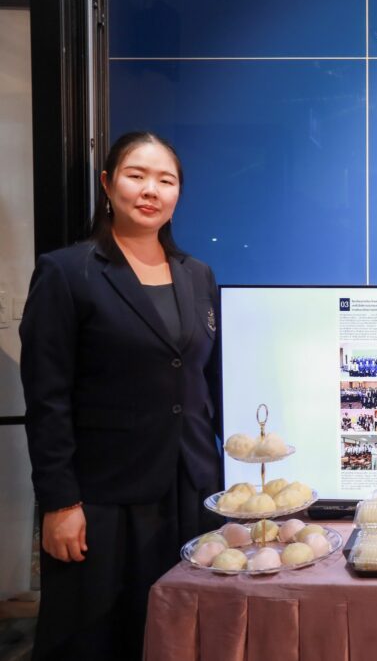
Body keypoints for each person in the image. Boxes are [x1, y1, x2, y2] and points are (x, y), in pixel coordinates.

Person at [19, 132, 223, 660]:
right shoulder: (68, 272)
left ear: (178, 194)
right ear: (108, 184)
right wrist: (59, 502)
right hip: (103, 500)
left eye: (166, 180)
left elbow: (206, 381)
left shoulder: (198, 275)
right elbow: (47, 399)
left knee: (182, 634)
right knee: (97, 639)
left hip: (190, 490)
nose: (151, 190)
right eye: (137, 175)